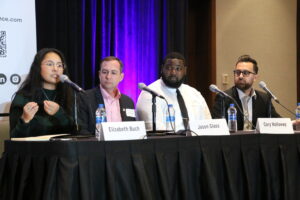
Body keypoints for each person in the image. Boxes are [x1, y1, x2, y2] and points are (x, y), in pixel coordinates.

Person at [136, 52, 211, 132]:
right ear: (162, 69)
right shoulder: (150, 93)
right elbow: (156, 134)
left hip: (197, 142)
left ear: (185, 70)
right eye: (168, 68)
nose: (173, 73)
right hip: (168, 143)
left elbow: (208, 126)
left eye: (178, 69)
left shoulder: (195, 94)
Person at [10, 48, 75, 138]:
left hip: (63, 149)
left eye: (59, 65)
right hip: (32, 150)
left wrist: (59, 114)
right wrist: (25, 119)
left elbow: (77, 131)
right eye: (50, 64)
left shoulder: (71, 95)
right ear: (38, 67)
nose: (55, 69)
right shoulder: (23, 97)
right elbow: (13, 138)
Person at [211, 55, 280, 130]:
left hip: (258, 140)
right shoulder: (223, 97)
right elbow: (216, 127)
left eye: (245, 73)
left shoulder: (264, 99)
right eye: (237, 72)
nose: (240, 76)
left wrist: (291, 123)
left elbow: (276, 122)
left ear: (255, 77)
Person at [78, 56, 135, 134]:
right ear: (99, 74)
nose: (108, 77)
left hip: (123, 145)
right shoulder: (85, 97)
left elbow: (133, 130)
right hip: (96, 145)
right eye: (104, 72)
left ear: (121, 77)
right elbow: (81, 130)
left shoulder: (128, 102)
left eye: (113, 73)